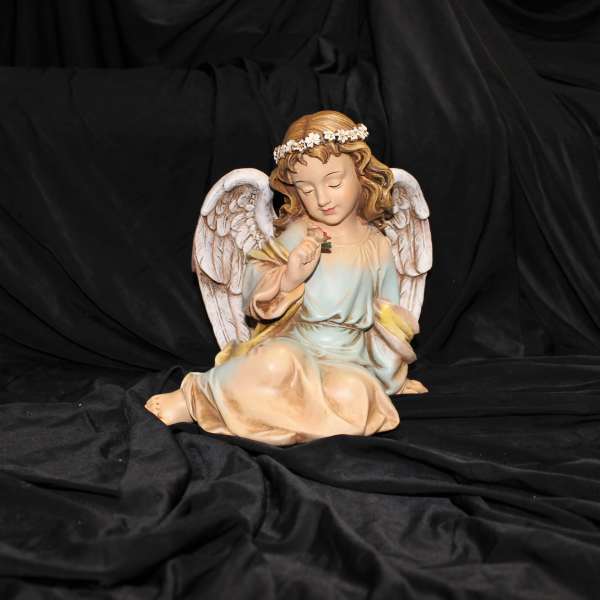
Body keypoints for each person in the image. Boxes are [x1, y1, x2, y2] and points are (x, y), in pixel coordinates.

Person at [145, 110, 428, 446]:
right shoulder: (298, 235)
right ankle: (195, 398)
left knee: (355, 394)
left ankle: (275, 417)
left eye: (334, 182)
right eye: (306, 188)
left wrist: (392, 375)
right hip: (297, 345)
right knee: (276, 362)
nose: (322, 198)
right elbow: (253, 284)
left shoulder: (378, 245)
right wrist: (290, 276)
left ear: (361, 172)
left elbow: (390, 320)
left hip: (348, 360)